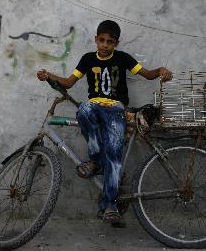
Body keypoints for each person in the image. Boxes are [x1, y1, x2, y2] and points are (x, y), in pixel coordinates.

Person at [36, 20, 172, 223]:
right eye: (102, 40)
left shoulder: (124, 59)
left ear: (116, 43)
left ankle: (110, 204)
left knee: (114, 157)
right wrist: (49, 76)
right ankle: (96, 159)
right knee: (83, 110)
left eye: (110, 41)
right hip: (94, 107)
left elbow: (147, 74)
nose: (105, 44)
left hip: (116, 110)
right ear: (96, 40)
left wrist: (161, 70)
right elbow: (68, 82)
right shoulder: (88, 59)